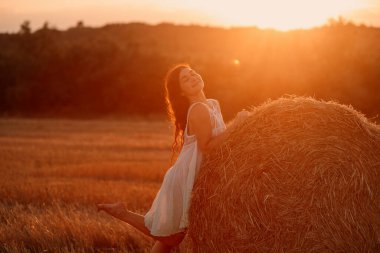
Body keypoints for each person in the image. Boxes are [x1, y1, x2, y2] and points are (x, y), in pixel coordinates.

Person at [97, 63, 250, 253]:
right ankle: (123, 213)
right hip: (186, 177)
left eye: (193, 73)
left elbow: (219, 136)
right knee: (173, 236)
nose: (192, 77)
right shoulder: (198, 109)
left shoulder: (213, 104)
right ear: (182, 92)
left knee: (167, 242)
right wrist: (238, 124)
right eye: (185, 79)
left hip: (199, 175)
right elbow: (208, 146)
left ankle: (123, 213)